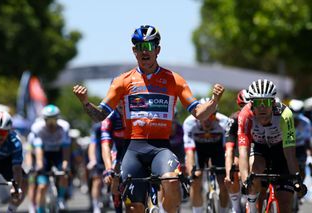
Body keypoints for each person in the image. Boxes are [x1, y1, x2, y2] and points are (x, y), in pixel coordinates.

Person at [73, 24, 224, 213]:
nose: (145, 52)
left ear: (158, 50)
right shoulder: (122, 81)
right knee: (134, 207)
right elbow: (100, 116)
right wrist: (85, 102)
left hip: (161, 147)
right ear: (134, 51)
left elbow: (199, 113)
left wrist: (214, 101)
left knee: (172, 180)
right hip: (133, 149)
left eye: (150, 47)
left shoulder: (174, 79)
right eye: (140, 47)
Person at [238, 79, 306, 213]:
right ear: (251, 103)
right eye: (258, 102)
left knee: (285, 202)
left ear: (273, 102)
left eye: (267, 102)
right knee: (255, 171)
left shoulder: (285, 115)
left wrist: (296, 178)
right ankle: (252, 208)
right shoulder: (245, 115)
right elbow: (243, 152)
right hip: (259, 149)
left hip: (281, 151)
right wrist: (245, 179)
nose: (262, 107)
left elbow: (290, 154)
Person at [183, 98, 230, 213]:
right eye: (203, 116)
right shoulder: (189, 123)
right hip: (199, 150)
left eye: (211, 116)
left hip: (218, 149)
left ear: (216, 115)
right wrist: (191, 171)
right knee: (195, 180)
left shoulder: (224, 122)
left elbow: (228, 150)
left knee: (223, 183)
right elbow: (189, 152)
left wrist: (229, 170)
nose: (207, 120)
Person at [29, 104, 71, 213]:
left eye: (54, 120)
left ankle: (61, 198)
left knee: (64, 171)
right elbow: (38, 148)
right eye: (49, 121)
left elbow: (66, 148)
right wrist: (39, 164)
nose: (51, 124)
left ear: (58, 119)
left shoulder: (64, 127)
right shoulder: (38, 128)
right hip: (44, 153)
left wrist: (65, 163)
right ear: (44, 120)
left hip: (58, 152)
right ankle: (40, 210)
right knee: (42, 186)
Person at [0, 110, 26, 213]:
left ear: (9, 131)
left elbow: (16, 169)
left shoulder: (15, 142)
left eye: (3, 132)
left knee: (24, 183)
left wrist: (16, 187)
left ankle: (11, 210)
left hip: (6, 163)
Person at [224, 89, 249, 213]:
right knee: (235, 168)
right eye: (243, 106)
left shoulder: (259, 117)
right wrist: (229, 174)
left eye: (249, 106)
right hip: (239, 148)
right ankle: (236, 206)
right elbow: (229, 149)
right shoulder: (233, 119)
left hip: (254, 147)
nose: (246, 110)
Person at [101, 104, 127, 213]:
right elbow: (106, 145)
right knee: (114, 175)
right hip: (118, 149)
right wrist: (108, 170)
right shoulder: (110, 118)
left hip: (135, 147)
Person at [288, 99, 312, 180]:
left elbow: (307, 142)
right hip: (286, 147)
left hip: (300, 148)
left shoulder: (306, 123)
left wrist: (309, 157)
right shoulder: (284, 121)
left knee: (301, 170)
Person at [87, 122, 105, 213]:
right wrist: (92, 159)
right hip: (99, 155)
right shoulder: (97, 127)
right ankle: (95, 205)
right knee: (97, 180)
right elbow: (92, 144)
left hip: (111, 154)